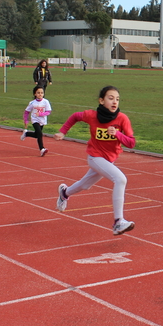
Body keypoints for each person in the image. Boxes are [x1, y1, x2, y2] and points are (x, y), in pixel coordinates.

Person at [53, 86, 137, 235]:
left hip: (108, 160)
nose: (114, 102)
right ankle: (118, 222)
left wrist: (118, 134)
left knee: (85, 185)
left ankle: (64, 193)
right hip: (95, 156)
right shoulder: (91, 115)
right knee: (120, 179)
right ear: (101, 100)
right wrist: (63, 131)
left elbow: (131, 143)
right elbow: (75, 116)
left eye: (117, 99)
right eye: (110, 98)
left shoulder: (122, 118)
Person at [21, 85, 52, 157]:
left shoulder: (46, 102)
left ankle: (26, 134)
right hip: (35, 119)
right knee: (40, 134)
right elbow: (26, 112)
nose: (40, 94)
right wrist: (26, 121)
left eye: (41, 93)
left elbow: (48, 112)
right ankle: (42, 149)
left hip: (42, 120)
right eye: (38, 93)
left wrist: (41, 114)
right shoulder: (32, 103)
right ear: (35, 94)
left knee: (37, 135)